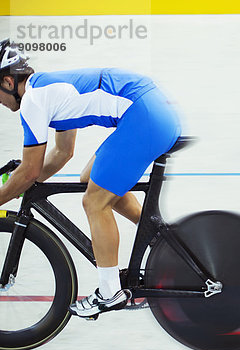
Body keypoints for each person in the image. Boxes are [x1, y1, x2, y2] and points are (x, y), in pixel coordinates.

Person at [0, 39, 181, 317]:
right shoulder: (45, 90)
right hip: (151, 109)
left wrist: (16, 185)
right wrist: (22, 184)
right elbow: (62, 153)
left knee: (95, 201)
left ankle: (110, 292)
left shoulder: (33, 102)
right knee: (91, 179)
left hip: (144, 115)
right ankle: (159, 238)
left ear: (9, 82)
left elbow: (30, 170)